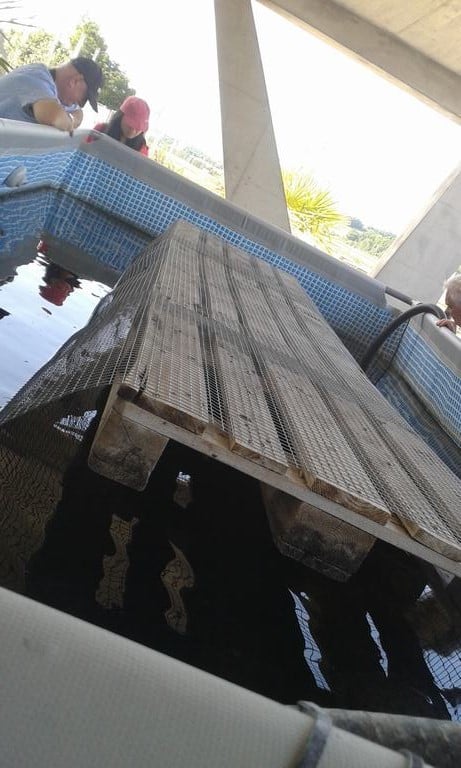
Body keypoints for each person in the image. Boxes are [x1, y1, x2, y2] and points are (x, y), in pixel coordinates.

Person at [0, 57, 103, 135]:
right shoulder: (36, 76)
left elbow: (78, 113)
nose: (79, 104)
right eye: (84, 98)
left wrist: (72, 120)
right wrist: (69, 126)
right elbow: (53, 115)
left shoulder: (56, 93)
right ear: (75, 81)